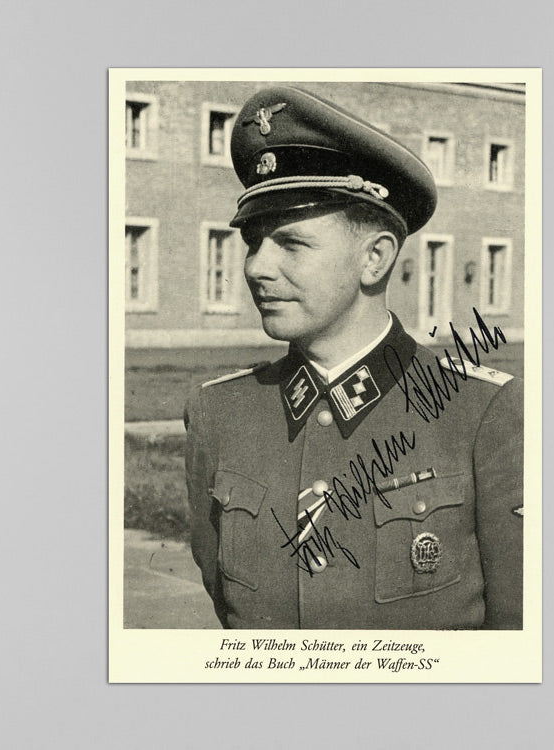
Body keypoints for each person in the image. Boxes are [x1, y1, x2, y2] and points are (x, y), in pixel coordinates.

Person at [185, 86, 523, 629]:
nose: (255, 268)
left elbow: (518, 636)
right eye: (254, 241)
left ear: (375, 258)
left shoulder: (482, 412)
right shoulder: (218, 413)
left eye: (290, 243)